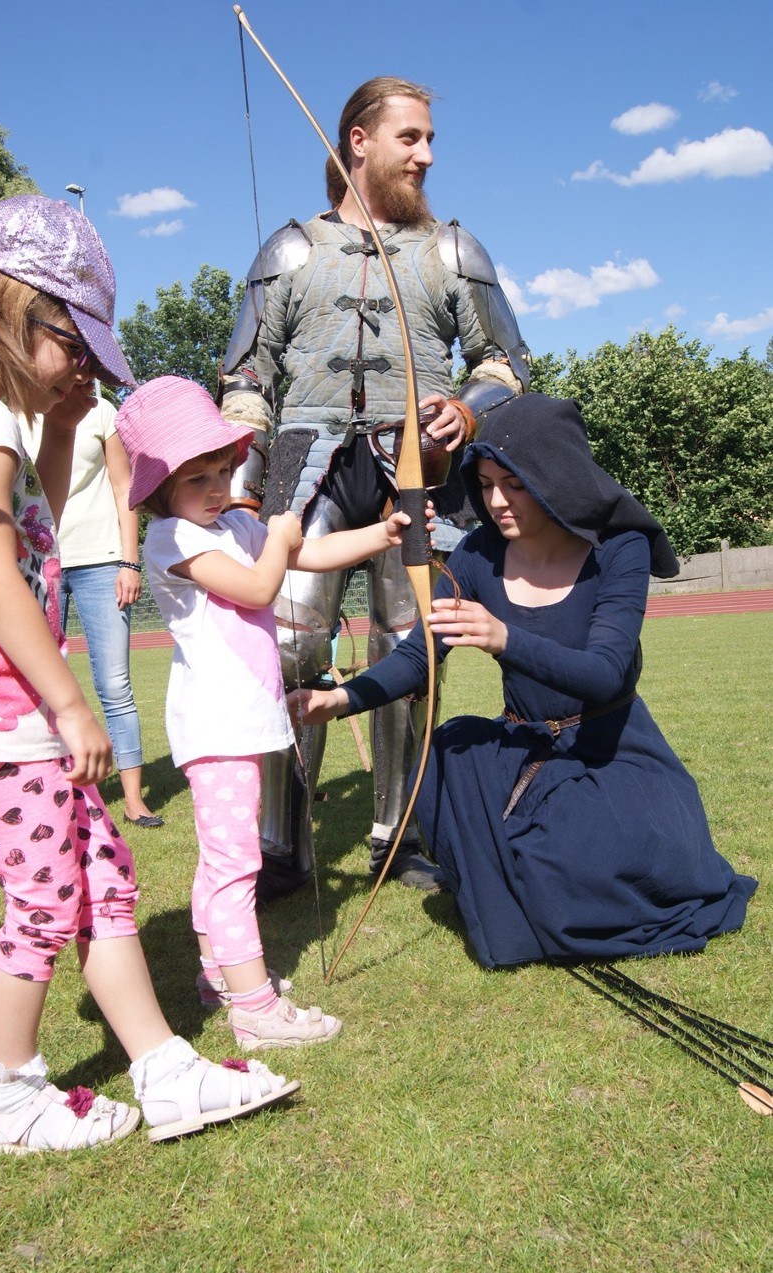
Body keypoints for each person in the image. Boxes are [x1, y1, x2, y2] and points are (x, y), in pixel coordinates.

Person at [0, 195, 298, 1154]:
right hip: (1, 716)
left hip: (5, 712)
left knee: (104, 875)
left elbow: (36, 526)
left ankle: (164, 1066)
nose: (81, 368)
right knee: (47, 901)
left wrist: (61, 426)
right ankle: (10, 1098)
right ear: (19, 311)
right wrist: (67, 700)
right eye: (74, 347)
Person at [292, 394, 756, 968]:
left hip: (609, 752)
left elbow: (605, 673)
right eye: (485, 483)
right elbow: (419, 659)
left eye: (513, 484)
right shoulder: (478, 554)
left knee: (588, 867)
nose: (495, 500)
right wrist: (338, 699)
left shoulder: (618, 547)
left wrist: (505, 638)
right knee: (449, 750)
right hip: (523, 748)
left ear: (554, 474)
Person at [220, 76, 531, 899]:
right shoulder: (290, 251)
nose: (427, 155)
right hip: (301, 460)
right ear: (358, 141)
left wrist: (466, 408)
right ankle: (281, 841)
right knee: (290, 643)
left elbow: (509, 364)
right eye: (411, 138)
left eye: (430, 140)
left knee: (411, 645)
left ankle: (399, 834)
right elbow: (246, 374)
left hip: (416, 469)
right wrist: (244, 486)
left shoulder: (454, 251)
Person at [115, 375, 433, 1049]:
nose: (216, 487)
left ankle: (218, 976)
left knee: (218, 862)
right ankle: (255, 1008)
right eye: (196, 477)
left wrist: (382, 532)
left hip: (240, 720)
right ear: (160, 490)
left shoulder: (231, 523)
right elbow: (264, 583)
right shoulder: (173, 540)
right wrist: (285, 528)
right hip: (216, 725)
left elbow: (307, 552)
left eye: (223, 470)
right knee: (235, 867)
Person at [23, 396, 162, 827]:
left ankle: (134, 799)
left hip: (102, 561)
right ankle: (53, 796)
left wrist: (128, 560)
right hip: (39, 561)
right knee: (38, 688)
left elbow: (125, 490)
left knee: (115, 685)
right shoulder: (12, 409)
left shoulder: (100, 411)